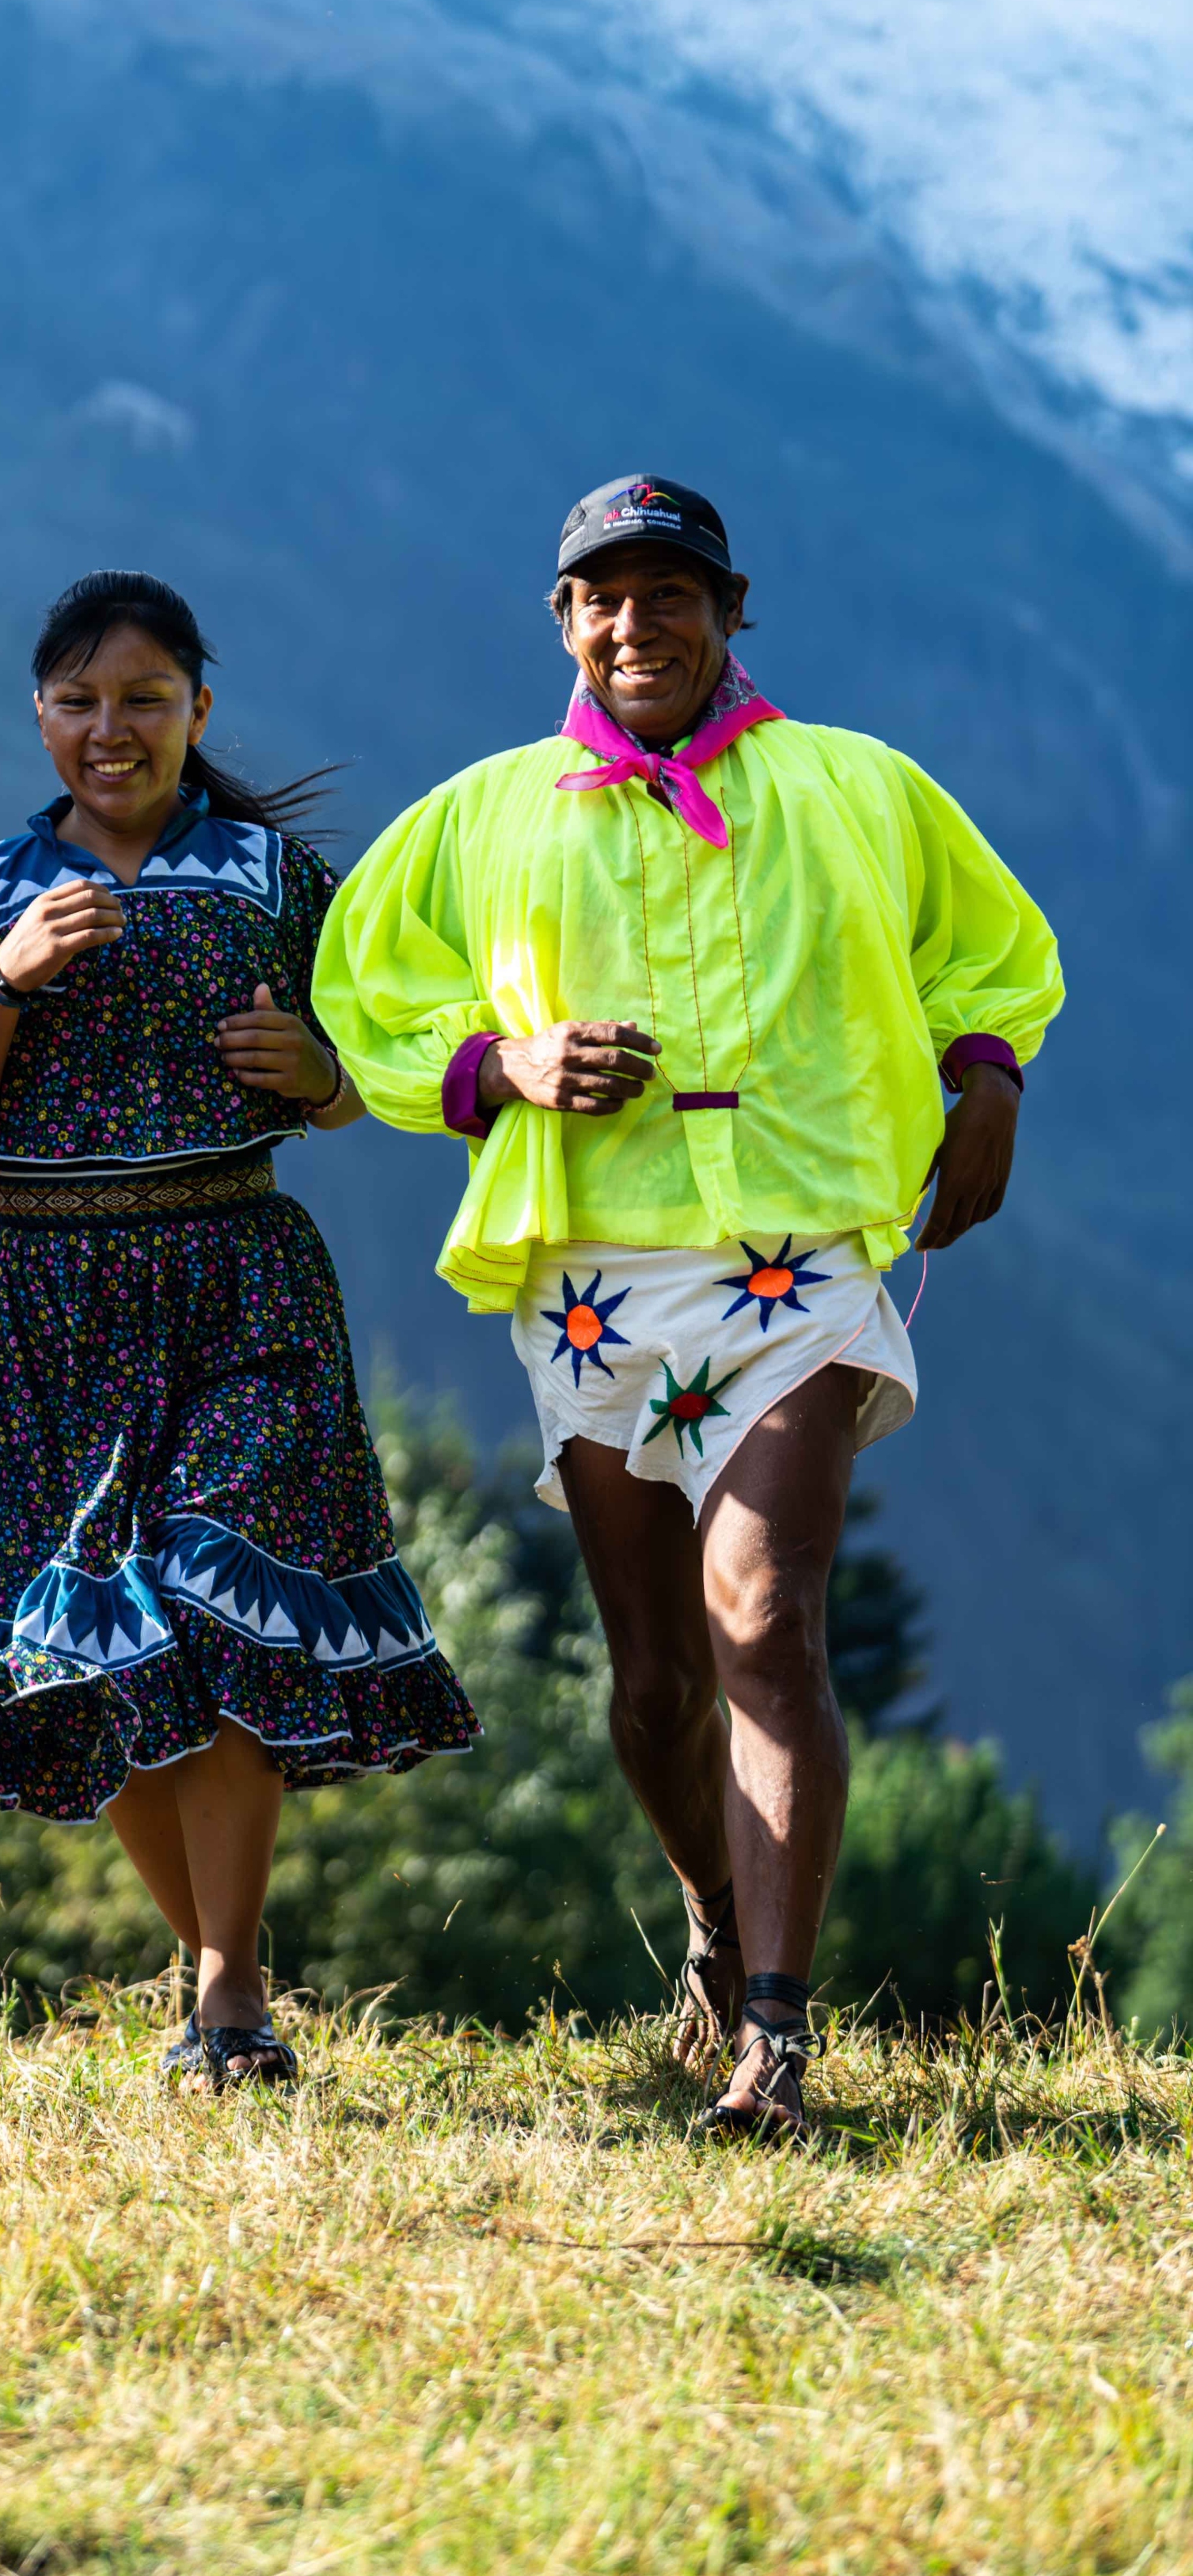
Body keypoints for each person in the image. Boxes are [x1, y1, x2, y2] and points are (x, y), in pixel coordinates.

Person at [312, 475, 1062, 2137]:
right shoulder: (487, 814)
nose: (634, 624)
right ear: (562, 619)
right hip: (590, 1281)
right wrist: (494, 1066)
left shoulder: (859, 787)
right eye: (602, 597)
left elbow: (989, 944)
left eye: (669, 595)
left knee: (760, 1620)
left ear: (732, 613)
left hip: (799, 1262)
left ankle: (778, 2041)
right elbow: (359, 982)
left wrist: (986, 1072)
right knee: (653, 1673)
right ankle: (719, 1926)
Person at [0, 572, 481, 2089]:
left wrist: (314, 1070)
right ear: (37, 714)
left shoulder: (276, 880)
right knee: (90, 1646)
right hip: (42, 1301)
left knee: (213, 1590)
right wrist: (0, 985)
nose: (108, 729)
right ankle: (213, 1982)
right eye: (76, 701)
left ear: (198, 707)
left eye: (141, 698)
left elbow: (382, 1071)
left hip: (239, 1279)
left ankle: (232, 1989)